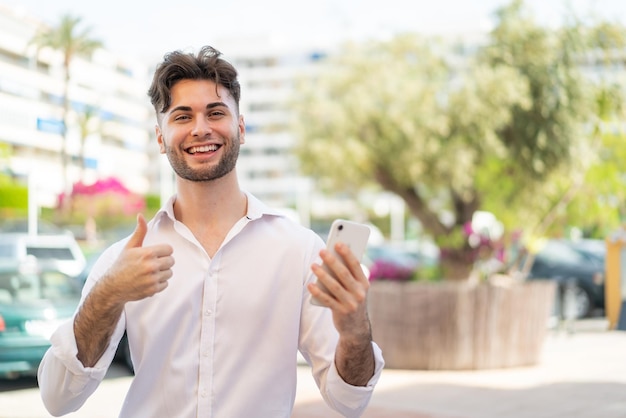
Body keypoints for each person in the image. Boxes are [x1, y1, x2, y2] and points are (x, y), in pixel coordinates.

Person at [37, 45, 384, 418]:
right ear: (160, 137)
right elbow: (58, 399)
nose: (200, 128)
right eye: (182, 116)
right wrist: (107, 295)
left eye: (215, 113)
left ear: (241, 128)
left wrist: (353, 331)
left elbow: (349, 401)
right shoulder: (125, 260)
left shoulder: (298, 250)